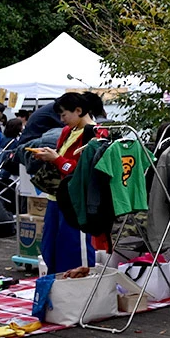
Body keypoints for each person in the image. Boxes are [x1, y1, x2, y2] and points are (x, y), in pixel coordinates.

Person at [30, 91, 108, 273]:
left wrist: (56, 159)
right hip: (56, 197)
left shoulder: (96, 134)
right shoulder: (67, 131)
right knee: (50, 247)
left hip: (76, 201)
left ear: (79, 110)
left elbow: (84, 171)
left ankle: (76, 291)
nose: (61, 119)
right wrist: (50, 157)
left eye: (64, 114)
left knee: (73, 250)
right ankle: (57, 288)